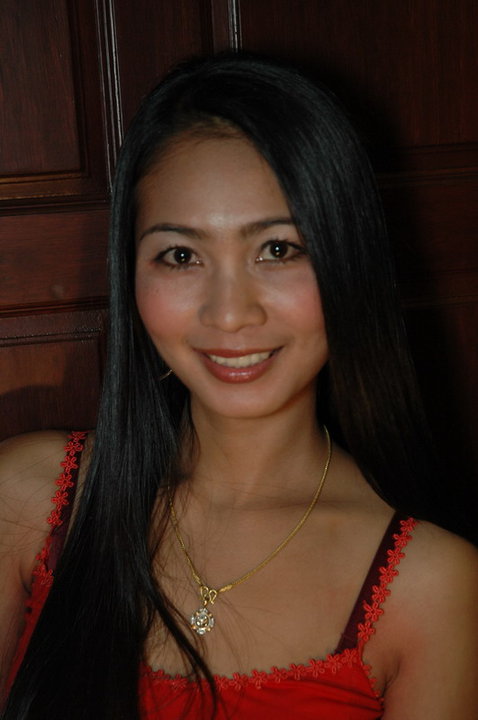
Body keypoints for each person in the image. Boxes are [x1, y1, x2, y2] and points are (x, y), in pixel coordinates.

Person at [0, 53, 477, 720]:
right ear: (131, 274)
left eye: (278, 249)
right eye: (181, 255)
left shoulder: (433, 584)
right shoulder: (28, 502)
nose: (229, 314)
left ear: (347, 260)